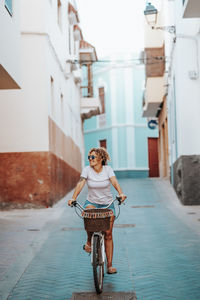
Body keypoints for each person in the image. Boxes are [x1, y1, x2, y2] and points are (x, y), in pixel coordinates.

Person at [68, 147, 127, 274]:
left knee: (108, 234)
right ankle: (89, 240)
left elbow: (114, 181)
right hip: (92, 202)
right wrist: (73, 197)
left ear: (101, 158)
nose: (90, 159)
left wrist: (121, 193)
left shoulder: (108, 170)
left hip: (107, 204)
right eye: (89, 157)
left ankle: (109, 265)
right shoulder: (87, 170)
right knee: (88, 216)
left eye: (93, 157)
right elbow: (80, 183)